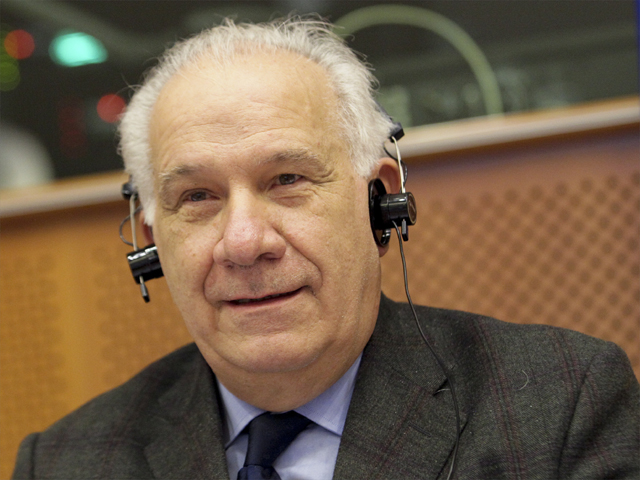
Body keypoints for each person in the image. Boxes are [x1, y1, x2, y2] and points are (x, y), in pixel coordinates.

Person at [12, 16, 638, 480]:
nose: (244, 243)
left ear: (379, 202)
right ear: (152, 240)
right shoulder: (65, 463)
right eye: (198, 196)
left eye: (287, 180)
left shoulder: (560, 407)